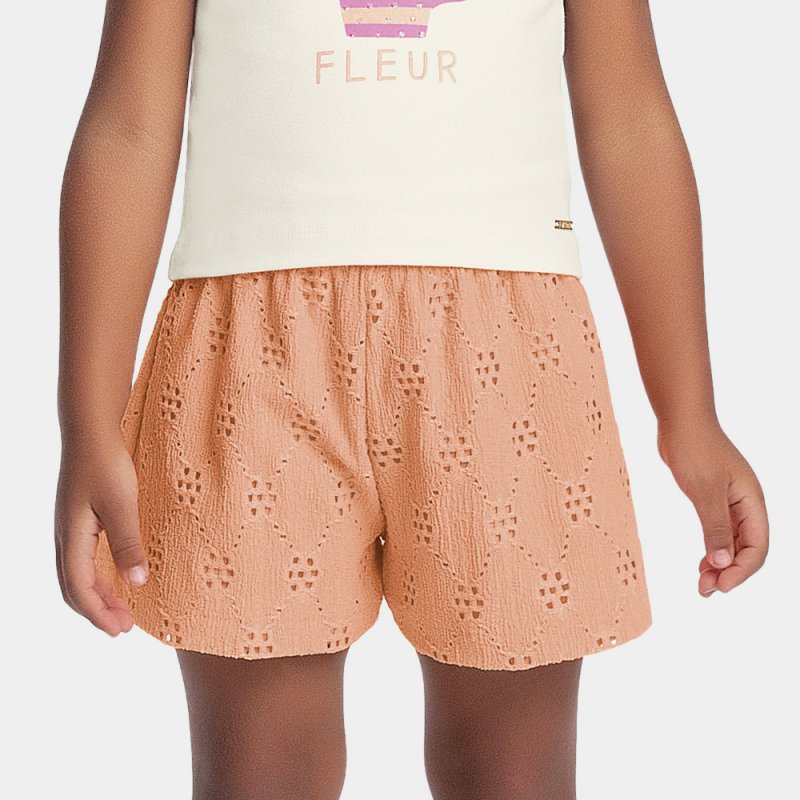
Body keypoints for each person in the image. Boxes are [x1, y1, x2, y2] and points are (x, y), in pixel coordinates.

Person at [54, 2, 769, 799]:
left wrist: (689, 414)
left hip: (507, 359)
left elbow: (628, 115)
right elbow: (128, 126)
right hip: (249, 357)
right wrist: (86, 421)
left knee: (512, 778)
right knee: (258, 774)